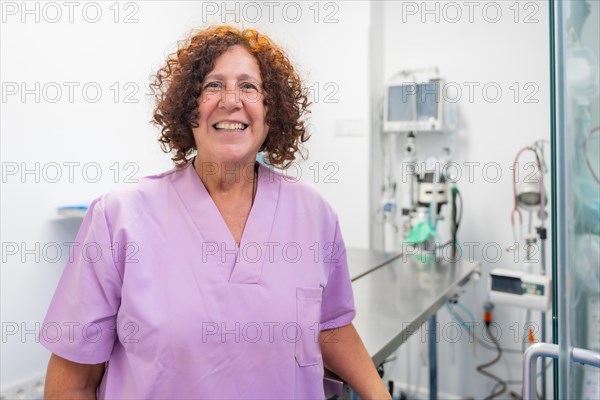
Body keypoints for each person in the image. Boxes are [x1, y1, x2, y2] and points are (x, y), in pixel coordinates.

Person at [40, 25, 391, 399]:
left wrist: (378, 394)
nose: (230, 100)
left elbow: (330, 327)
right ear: (188, 109)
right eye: (212, 86)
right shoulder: (120, 218)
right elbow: (73, 379)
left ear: (272, 111)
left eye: (249, 87)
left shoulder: (313, 213)